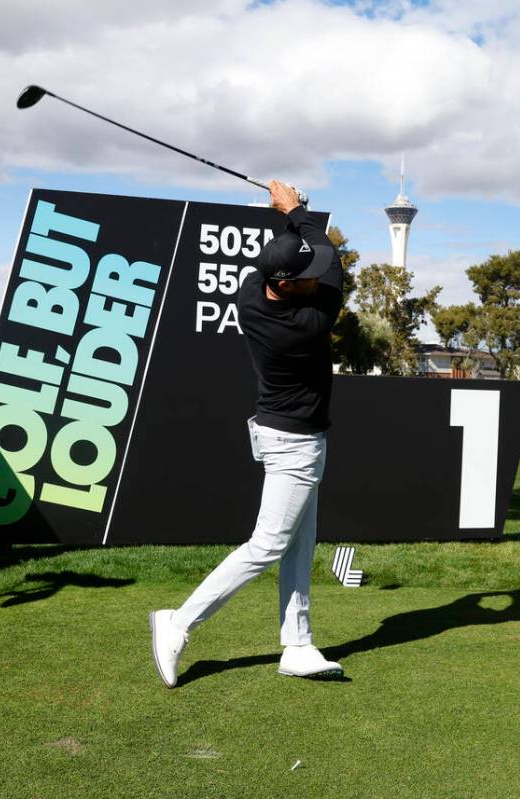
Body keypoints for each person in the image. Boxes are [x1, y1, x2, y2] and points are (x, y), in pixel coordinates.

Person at [149, 180, 344, 688]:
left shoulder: (253, 290)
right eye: (309, 277)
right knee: (267, 546)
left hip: (289, 435)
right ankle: (178, 623)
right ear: (289, 284)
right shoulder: (307, 322)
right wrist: (295, 209)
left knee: (301, 545)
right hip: (294, 443)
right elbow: (331, 258)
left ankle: (297, 645)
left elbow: (309, 253)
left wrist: (289, 218)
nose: (317, 278)